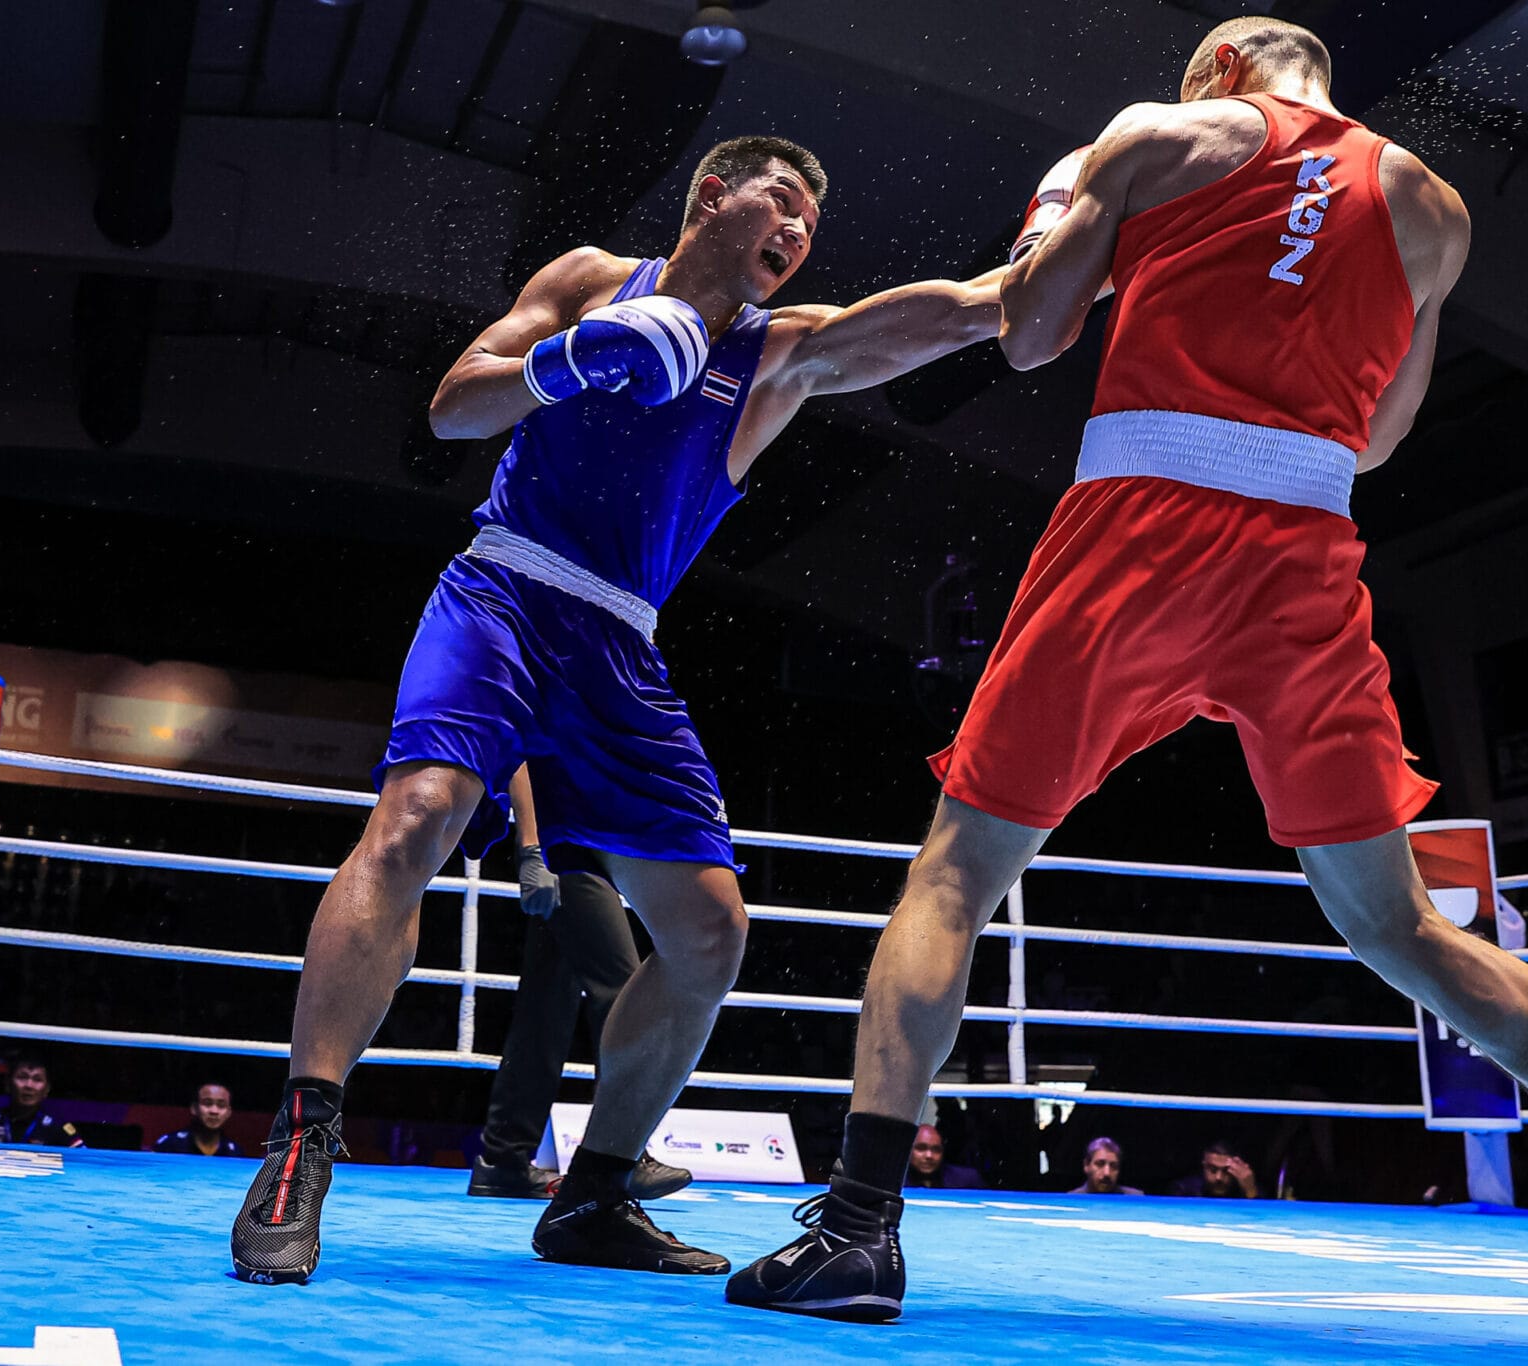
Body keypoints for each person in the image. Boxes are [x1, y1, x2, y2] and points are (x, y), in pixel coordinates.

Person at [729, 19, 1528, 1358]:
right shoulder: (1436, 205)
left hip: (1139, 525)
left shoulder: (1161, 136)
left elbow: (1030, 335)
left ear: (1223, 65)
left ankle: (858, 1224)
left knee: (957, 871)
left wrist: (1084, 226)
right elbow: (1387, 425)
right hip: (1305, 551)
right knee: (1400, 923)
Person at [231, 134, 1011, 1285]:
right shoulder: (589, 279)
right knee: (415, 820)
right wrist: (569, 360)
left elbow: (940, 316)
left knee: (707, 937)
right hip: (501, 587)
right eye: (783, 204)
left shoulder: (777, 352)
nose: (795, 236)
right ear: (712, 193)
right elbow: (452, 411)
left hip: (620, 643)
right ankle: (301, 1145)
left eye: (810, 228)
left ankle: (595, 1190)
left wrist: (1070, 255)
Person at [467, 766, 688, 1200]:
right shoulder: (558, 696)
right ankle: (623, 1154)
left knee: (546, 1006)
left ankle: (504, 1159)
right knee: (624, 991)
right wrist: (532, 849)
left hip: (589, 843)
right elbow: (525, 758)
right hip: (564, 847)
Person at [0, 1054, 84, 1147]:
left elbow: (84, 1164)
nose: (29, 1085)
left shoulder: (58, 1129)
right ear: (7, 1084)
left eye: (37, 1079)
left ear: (47, 1089)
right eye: (22, 1077)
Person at [153, 1083, 247, 1157]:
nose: (214, 1111)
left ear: (229, 1112)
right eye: (207, 1103)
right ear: (194, 1108)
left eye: (221, 1105)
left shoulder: (234, 1152)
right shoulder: (169, 1144)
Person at [903, 1123, 982, 1190]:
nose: (929, 1156)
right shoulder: (894, 1181)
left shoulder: (967, 1179)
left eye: (936, 1149)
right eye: (921, 1148)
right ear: (908, 1149)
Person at [1176, 1139, 1257, 1199]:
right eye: (1213, 1169)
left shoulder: (1248, 1188)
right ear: (1204, 1165)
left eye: (1226, 1171)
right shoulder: (1184, 1189)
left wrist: (1250, 1190)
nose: (1219, 1177)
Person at [1067, 1137, 1140, 1196]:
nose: (1107, 1173)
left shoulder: (1135, 1199)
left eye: (1114, 1166)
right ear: (1086, 1165)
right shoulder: (1071, 1200)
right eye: (1100, 1164)